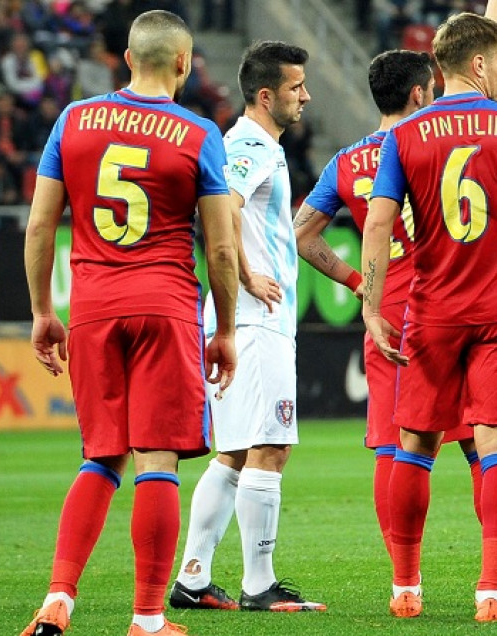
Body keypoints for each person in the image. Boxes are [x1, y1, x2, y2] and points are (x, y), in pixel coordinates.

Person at [292, 45, 497, 605]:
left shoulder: (347, 160)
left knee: (396, 447)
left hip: (390, 314)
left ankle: (403, 578)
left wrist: (361, 286)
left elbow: (302, 233)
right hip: (456, 299)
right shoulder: (440, 137)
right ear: (419, 91)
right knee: (486, 444)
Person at [20, 10, 238, 636]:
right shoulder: (198, 133)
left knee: (100, 458)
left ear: (125, 57)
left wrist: (42, 312)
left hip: (91, 310)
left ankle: (59, 598)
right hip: (165, 309)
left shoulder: (74, 120)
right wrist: (223, 329)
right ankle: (147, 618)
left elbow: (39, 228)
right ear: (183, 63)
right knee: (157, 462)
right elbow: (221, 249)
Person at [361, 7, 497, 623]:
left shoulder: (403, 136)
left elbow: (377, 223)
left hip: (432, 311)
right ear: (478, 65)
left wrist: (375, 307)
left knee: (415, 445)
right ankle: (489, 589)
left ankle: (406, 586)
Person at [170, 41, 326, 613]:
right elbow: (222, 207)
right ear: (267, 96)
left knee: (234, 451)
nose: (305, 95)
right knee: (271, 446)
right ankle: (259, 585)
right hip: (256, 320)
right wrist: (249, 270)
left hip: (249, 318)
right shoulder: (248, 144)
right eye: (296, 87)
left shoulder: (254, 145)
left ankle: (192, 577)